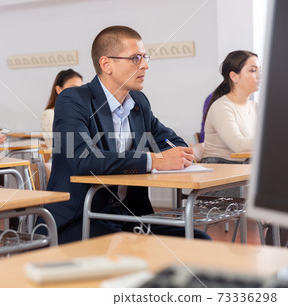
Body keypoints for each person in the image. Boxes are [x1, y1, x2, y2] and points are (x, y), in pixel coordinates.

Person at [38, 25, 210, 244]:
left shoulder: (139, 102)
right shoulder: (74, 100)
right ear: (106, 64)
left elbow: (169, 140)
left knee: (198, 240)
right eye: (136, 58)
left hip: (129, 217)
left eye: (145, 57)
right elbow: (83, 158)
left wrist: (177, 153)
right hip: (80, 218)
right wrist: (155, 160)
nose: (145, 65)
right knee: (128, 249)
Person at [201, 50, 260, 164]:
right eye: (253, 70)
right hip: (222, 170)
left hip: (245, 168)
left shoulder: (255, 107)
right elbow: (239, 146)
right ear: (234, 76)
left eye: (259, 70)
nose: (259, 75)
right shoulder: (221, 107)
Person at [41, 69, 83, 148]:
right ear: (58, 89)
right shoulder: (49, 114)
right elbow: (57, 146)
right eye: (73, 88)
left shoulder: (79, 113)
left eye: (80, 88)